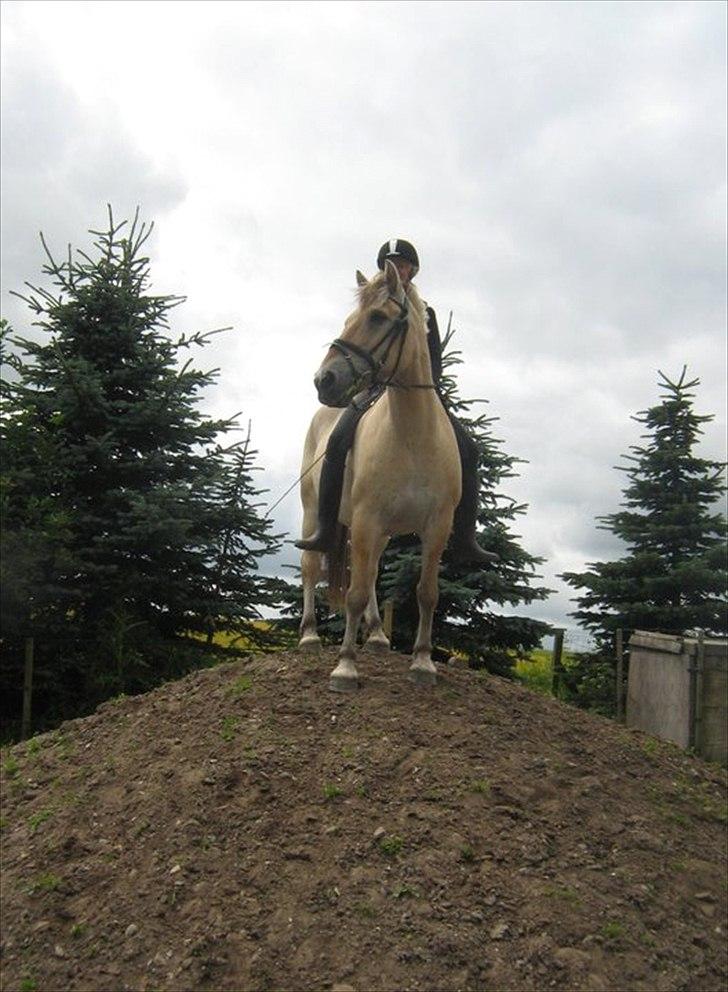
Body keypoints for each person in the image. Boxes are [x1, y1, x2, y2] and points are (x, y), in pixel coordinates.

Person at [295, 239, 496, 565]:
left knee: (469, 450)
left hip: (421, 393)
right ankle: (325, 527)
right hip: (373, 389)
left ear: (412, 270)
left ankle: (465, 538)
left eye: (403, 265)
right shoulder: (367, 309)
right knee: (336, 441)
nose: (399, 270)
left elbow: (434, 363)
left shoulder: (424, 312)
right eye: (392, 265)